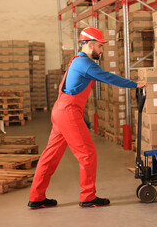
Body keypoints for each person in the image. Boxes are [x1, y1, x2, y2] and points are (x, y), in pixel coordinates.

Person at [28, 27, 146, 209]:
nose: (102, 50)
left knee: (49, 157)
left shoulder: (77, 61)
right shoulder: (86, 64)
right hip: (68, 112)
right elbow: (109, 78)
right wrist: (135, 84)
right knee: (87, 153)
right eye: (100, 46)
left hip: (61, 111)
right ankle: (88, 196)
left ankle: (36, 197)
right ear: (90, 44)